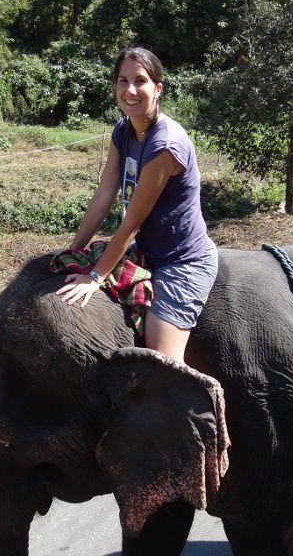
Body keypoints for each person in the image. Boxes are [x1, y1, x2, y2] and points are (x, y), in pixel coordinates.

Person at [55, 47, 218, 362]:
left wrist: (95, 276)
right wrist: (75, 249)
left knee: (161, 362)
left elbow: (132, 223)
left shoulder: (165, 146)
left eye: (140, 81)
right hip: (145, 250)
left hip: (180, 262)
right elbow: (105, 194)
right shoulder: (123, 130)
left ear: (158, 89)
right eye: (122, 80)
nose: (129, 90)